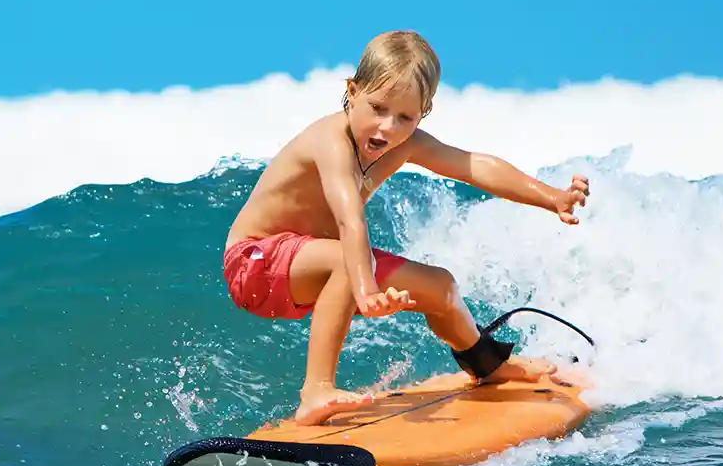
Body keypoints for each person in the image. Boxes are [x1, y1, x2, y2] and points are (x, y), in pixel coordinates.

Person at [222, 30, 591, 425]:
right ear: (352, 90)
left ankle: (488, 365)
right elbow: (350, 219)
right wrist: (365, 290)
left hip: (315, 262)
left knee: (442, 288)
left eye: (405, 117)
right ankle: (316, 391)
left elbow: (473, 165)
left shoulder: (406, 143)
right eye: (378, 107)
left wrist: (550, 196)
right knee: (350, 259)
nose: (387, 128)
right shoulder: (330, 141)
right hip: (254, 262)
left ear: (424, 113)